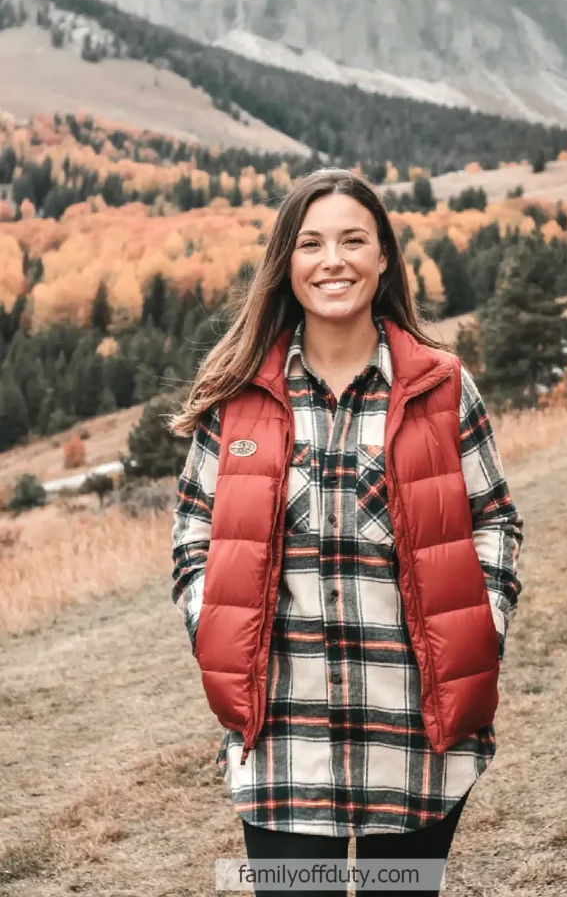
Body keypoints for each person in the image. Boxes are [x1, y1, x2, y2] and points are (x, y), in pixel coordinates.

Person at [169, 168, 523, 896]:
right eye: (311, 244)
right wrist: (210, 621)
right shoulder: (236, 397)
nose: (333, 260)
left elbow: (495, 520)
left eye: (353, 240)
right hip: (281, 735)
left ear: (384, 256)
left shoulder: (441, 387)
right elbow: (193, 531)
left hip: (416, 727)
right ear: (286, 264)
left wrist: (482, 622)